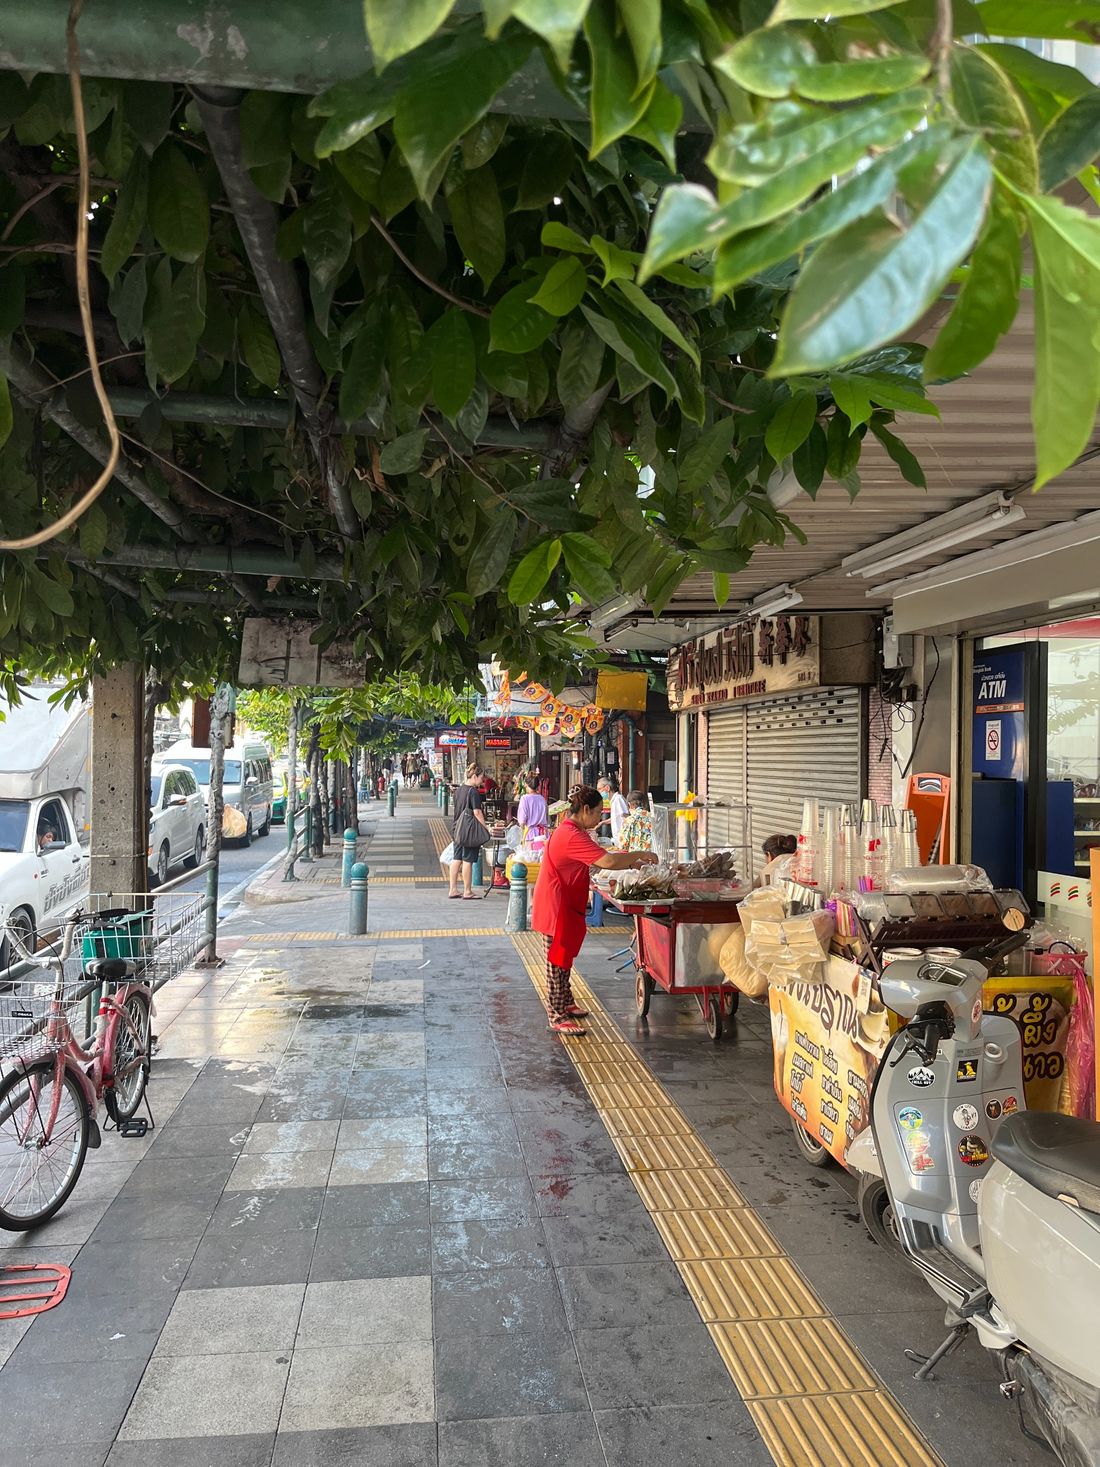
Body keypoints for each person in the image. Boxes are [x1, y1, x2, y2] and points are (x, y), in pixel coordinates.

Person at [531, 785, 658, 1034]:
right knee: (557, 961)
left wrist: (634, 861)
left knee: (564, 959)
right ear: (586, 809)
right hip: (556, 907)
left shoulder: (574, 831)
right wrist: (640, 853)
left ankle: (565, 1003)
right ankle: (556, 1015)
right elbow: (607, 860)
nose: (601, 818)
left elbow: (596, 863)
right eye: (599, 812)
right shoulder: (570, 835)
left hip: (566, 903)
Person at [449, 762, 489, 900]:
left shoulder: (459, 790)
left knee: (456, 858)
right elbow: (477, 812)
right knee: (468, 860)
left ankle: (453, 889)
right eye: (481, 777)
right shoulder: (473, 792)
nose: (482, 781)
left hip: (456, 829)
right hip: (469, 830)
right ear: (474, 776)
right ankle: (467, 891)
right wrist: (485, 828)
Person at [516, 773, 549, 852]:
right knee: (540, 861)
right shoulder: (542, 799)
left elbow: (522, 822)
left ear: (526, 784)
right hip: (543, 835)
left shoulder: (524, 799)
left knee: (531, 861)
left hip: (530, 836)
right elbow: (547, 818)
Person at [598, 776, 629, 844]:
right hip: (618, 841)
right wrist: (602, 823)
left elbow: (626, 817)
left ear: (607, 788)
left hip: (623, 840)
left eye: (600, 789)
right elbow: (616, 818)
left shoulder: (618, 799)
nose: (599, 792)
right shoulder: (613, 801)